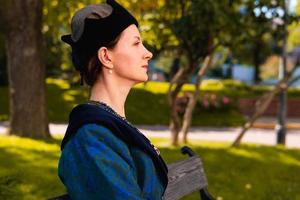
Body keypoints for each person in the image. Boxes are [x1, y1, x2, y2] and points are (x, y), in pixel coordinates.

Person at [58, 0, 168, 199]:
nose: (148, 53)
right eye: (136, 43)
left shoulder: (111, 126)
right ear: (106, 57)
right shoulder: (91, 137)